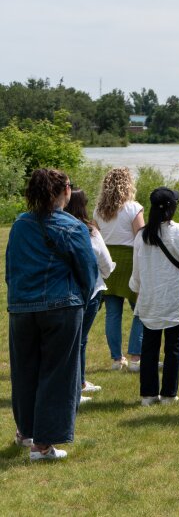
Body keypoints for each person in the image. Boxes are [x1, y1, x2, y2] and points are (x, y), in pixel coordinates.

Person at [7, 169, 98, 460]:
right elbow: (88, 272)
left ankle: (26, 431)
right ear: (65, 191)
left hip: (22, 307)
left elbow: (11, 269)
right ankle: (42, 445)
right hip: (61, 306)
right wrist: (79, 303)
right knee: (57, 374)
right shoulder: (72, 226)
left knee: (25, 372)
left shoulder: (20, 225)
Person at [130, 188, 179, 406]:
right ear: (172, 207)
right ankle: (169, 394)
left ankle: (148, 395)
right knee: (173, 347)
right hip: (174, 297)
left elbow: (137, 274)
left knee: (149, 348)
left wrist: (139, 287)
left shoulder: (142, 235)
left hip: (150, 298)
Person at [64, 187, 116, 402]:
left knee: (70, 340)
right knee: (79, 340)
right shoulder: (88, 230)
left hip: (63, 290)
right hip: (89, 291)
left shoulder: (56, 227)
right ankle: (77, 385)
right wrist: (103, 275)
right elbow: (105, 261)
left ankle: (80, 381)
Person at [94, 167, 145, 371]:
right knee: (140, 310)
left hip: (108, 263)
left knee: (112, 313)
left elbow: (96, 238)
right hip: (130, 261)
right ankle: (135, 357)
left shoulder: (98, 210)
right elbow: (141, 236)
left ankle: (117, 359)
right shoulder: (134, 208)